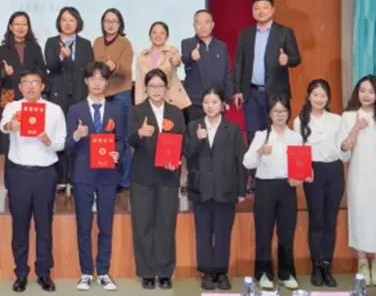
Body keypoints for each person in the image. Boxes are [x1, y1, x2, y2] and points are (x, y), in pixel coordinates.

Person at [0, 70, 66, 293]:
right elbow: (2, 126)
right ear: (19, 87)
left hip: (45, 174)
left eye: (35, 82)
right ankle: (20, 272)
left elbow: (61, 143)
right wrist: (11, 126)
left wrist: (48, 140)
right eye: (26, 83)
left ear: (42, 86)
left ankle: (44, 273)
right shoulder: (13, 107)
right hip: (18, 173)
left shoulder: (54, 110)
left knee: (44, 226)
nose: (30, 87)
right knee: (20, 226)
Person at [65, 61, 128, 291]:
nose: (97, 83)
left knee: (105, 225)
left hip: (108, 175)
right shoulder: (75, 110)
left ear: (107, 82)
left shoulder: (117, 109)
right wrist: (77, 135)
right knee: (83, 225)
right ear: (86, 81)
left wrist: (117, 153)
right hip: (83, 174)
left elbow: (122, 140)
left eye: (102, 79)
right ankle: (85, 272)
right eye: (93, 79)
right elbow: (67, 145)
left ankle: (103, 271)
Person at [127, 68, 186, 290]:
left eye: (160, 86)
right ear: (145, 88)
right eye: (152, 86)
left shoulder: (176, 112)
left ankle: (165, 272)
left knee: (166, 225)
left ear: (166, 88)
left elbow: (181, 142)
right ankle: (147, 272)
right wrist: (139, 134)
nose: (156, 90)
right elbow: (129, 140)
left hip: (168, 176)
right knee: (142, 226)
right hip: (142, 177)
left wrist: (177, 159)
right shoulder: (137, 111)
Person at [338, 75, 376, 287]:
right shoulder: (348, 116)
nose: (366, 95)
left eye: (371, 91)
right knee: (360, 215)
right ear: (357, 92)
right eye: (362, 90)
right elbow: (344, 149)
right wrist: (356, 127)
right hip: (359, 174)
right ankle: (362, 263)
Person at [184, 86, 246, 291]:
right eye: (206, 102)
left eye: (214, 102)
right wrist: (197, 139)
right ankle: (207, 272)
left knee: (222, 232)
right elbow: (187, 154)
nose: (210, 106)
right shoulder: (193, 126)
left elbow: (240, 161)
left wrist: (241, 190)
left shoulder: (232, 129)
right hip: (201, 188)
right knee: (203, 232)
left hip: (225, 188)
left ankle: (221, 271)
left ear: (222, 105)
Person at [243, 95, 302, 290]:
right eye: (276, 111)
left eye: (283, 111)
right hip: (265, 188)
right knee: (264, 233)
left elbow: (301, 165)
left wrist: (300, 178)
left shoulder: (295, 137)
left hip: (287, 188)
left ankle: (286, 273)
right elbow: (247, 162)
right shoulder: (262, 135)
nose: (280, 115)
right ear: (269, 114)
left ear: (288, 113)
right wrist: (260, 151)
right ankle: (263, 273)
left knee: (286, 233)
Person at [293, 79, 344, 287]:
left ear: (328, 98)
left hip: (334, 171)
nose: (319, 99)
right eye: (315, 95)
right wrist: (305, 169)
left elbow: (342, 149)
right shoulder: (300, 120)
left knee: (330, 221)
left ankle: (326, 266)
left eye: (323, 95)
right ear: (308, 96)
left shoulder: (337, 119)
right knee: (316, 221)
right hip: (312, 173)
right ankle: (315, 267)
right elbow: (299, 149)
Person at [233, 0, 302, 144]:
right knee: (253, 134)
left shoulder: (284, 32)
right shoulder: (246, 34)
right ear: (252, 11)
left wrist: (287, 60)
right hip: (251, 93)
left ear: (273, 10)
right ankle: (255, 160)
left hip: (276, 93)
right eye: (257, 8)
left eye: (265, 7)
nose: (261, 11)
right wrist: (237, 90)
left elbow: (296, 58)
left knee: (275, 134)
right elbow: (239, 63)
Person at [44, 6, 93, 193]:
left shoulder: (85, 44)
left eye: (71, 20)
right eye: (64, 20)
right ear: (59, 22)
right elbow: (50, 66)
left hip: (80, 94)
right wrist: (61, 56)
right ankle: (61, 178)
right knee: (59, 135)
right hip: (58, 95)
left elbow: (89, 70)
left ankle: (76, 176)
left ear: (78, 22)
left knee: (77, 135)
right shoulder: (51, 42)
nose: (67, 23)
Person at [0, 11, 45, 159]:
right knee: (10, 131)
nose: (20, 28)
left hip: (31, 94)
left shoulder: (35, 48)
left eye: (24, 24)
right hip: (9, 93)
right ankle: (10, 162)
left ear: (28, 27)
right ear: (10, 27)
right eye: (17, 24)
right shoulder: (1, 50)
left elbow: (42, 70)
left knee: (31, 130)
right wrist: (5, 72)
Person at [92, 8, 134, 189]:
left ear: (120, 24)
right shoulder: (97, 41)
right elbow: (94, 67)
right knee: (102, 138)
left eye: (114, 21)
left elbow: (125, 69)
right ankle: (105, 177)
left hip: (120, 94)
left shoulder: (125, 43)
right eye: (107, 21)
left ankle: (124, 180)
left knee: (121, 138)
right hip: (100, 95)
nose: (110, 24)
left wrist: (113, 66)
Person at [180, 9, 234, 123]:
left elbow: (227, 74)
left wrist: (228, 99)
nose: (203, 26)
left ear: (212, 25)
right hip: (195, 103)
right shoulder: (187, 43)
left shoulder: (221, 46)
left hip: (217, 102)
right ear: (194, 26)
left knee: (216, 134)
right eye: (198, 23)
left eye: (206, 22)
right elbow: (184, 59)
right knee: (194, 133)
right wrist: (191, 56)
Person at [133, 22, 190, 110]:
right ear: (150, 36)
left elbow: (177, 62)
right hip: (149, 101)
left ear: (167, 36)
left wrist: (173, 58)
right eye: (154, 32)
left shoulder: (172, 51)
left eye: (162, 33)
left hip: (171, 100)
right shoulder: (142, 56)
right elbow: (139, 83)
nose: (158, 36)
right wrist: (138, 106)